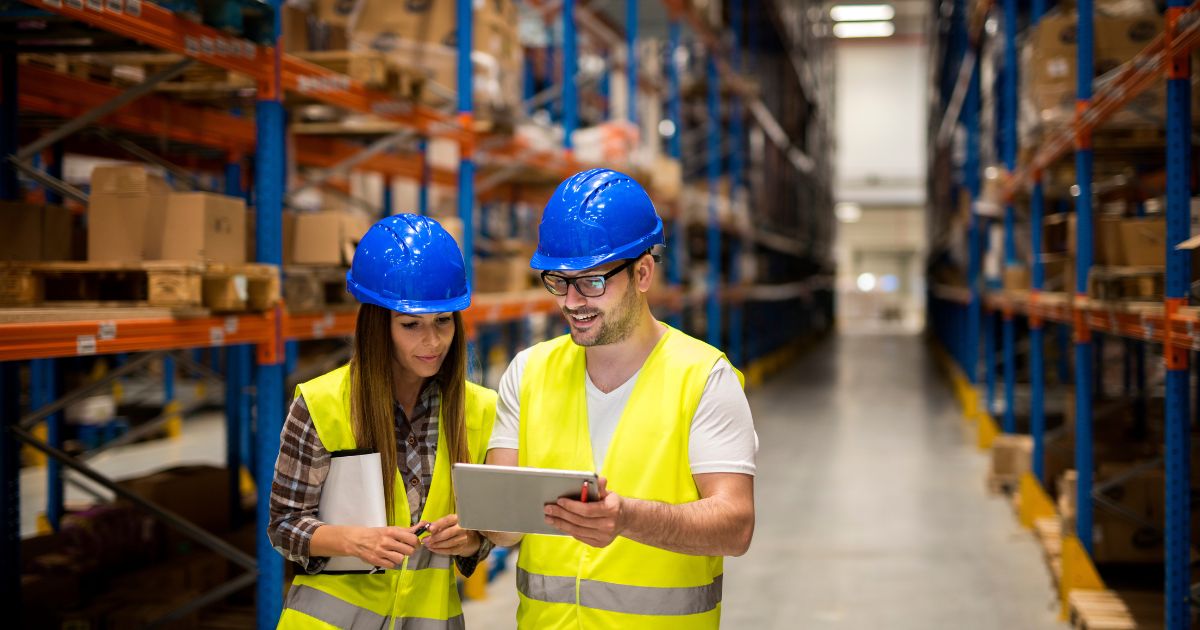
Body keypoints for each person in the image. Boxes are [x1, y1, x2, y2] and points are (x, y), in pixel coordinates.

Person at [485, 168, 758, 628]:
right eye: (559, 281)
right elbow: (503, 527)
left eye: (592, 281)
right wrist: (478, 521)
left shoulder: (704, 378)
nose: (572, 301)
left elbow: (735, 525)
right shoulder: (528, 372)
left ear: (643, 273)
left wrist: (627, 518)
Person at [270, 214, 497, 629]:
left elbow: (489, 533)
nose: (432, 342)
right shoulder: (322, 403)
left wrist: (470, 540)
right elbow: (285, 527)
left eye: (443, 322)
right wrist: (354, 540)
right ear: (378, 325)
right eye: (411, 325)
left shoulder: (480, 411)